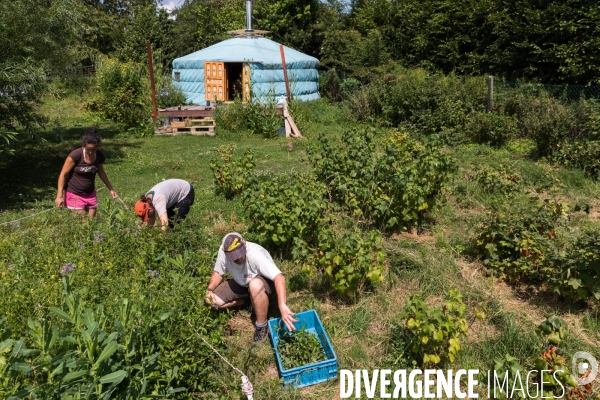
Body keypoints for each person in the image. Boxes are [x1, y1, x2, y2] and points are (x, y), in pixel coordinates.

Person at [205, 232, 296, 345]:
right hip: (242, 284)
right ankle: (247, 302)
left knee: (255, 285)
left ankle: (261, 326)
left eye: (240, 254)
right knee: (211, 300)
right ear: (225, 251)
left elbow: (279, 277)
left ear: (244, 243)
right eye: (234, 257)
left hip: (263, 286)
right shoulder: (223, 251)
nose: (239, 258)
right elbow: (218, 273)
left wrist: (282, 304)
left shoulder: (255, 254)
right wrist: (209, 290)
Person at [55, 129, 118, 218]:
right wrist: (59, 195)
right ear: (84, 146)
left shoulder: (99, 155)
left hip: (90, 193)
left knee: (91, 222)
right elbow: (63, 174)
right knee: (83, 222)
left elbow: (101, 172)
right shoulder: (76, 155)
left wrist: (111, 189)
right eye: (88, 149)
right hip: (74, 194)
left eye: (94, 149)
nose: (91, 152)